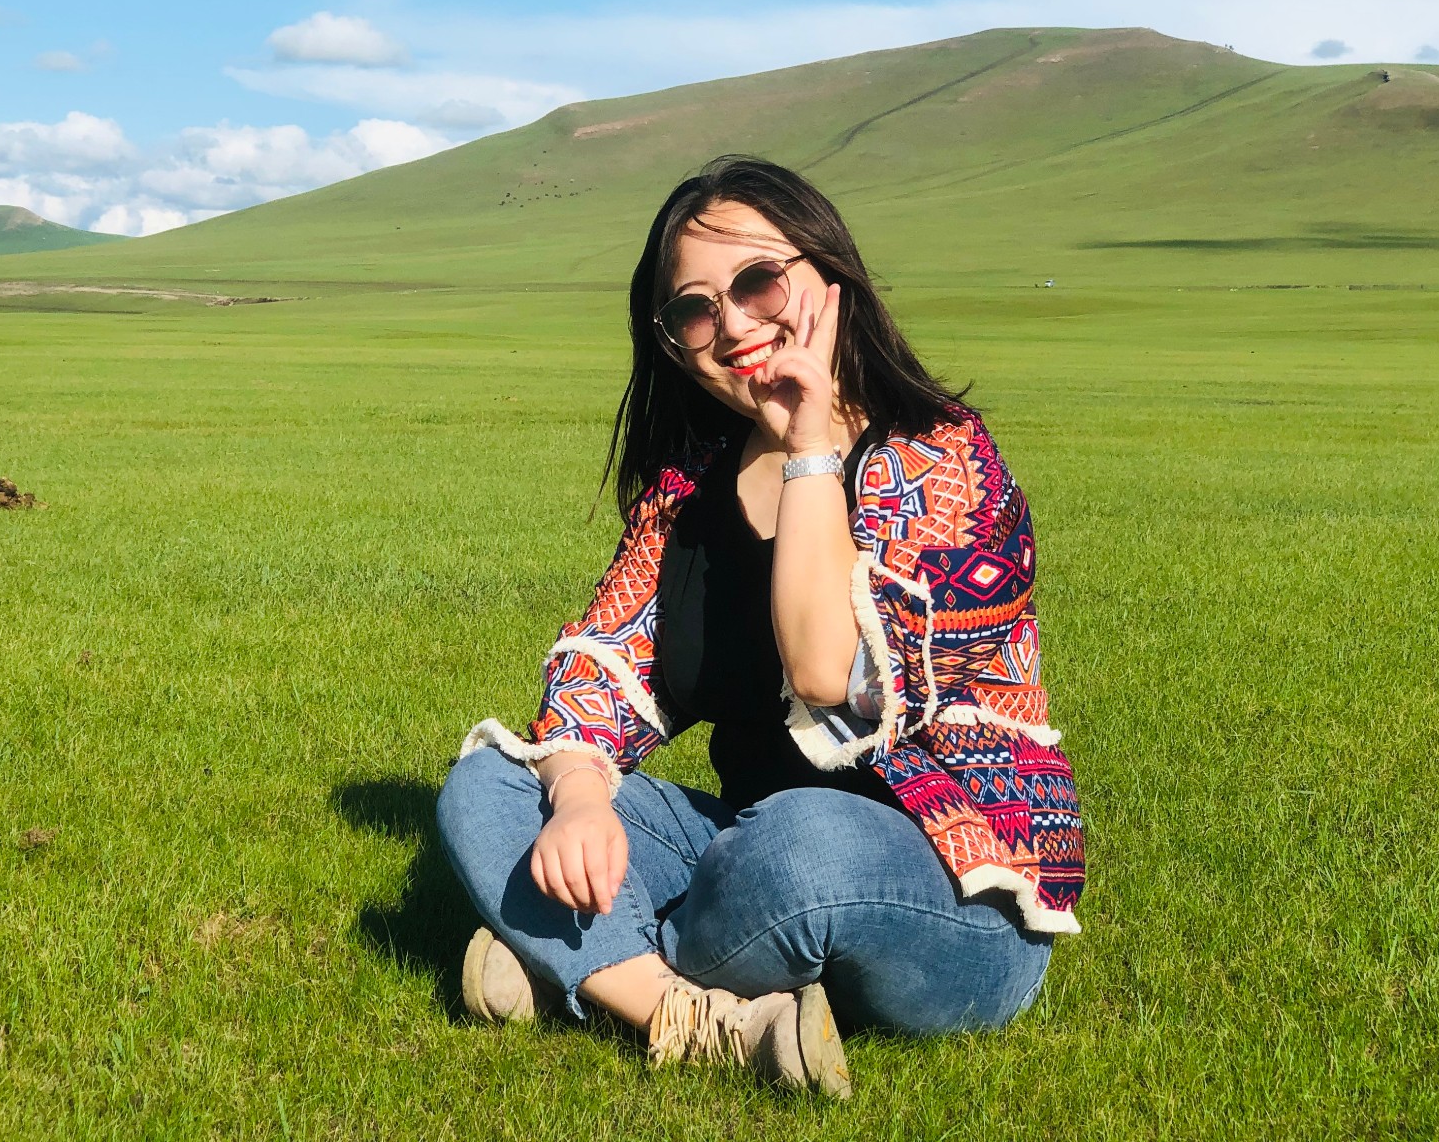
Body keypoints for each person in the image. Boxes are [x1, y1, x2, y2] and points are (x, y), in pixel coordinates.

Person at [437, 156, 1085, 1097]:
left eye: (756, 282)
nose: (733, 324)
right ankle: (694, 1017)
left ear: (828, 278)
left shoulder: (948, 466)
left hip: (956, 896)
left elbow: (833, 680)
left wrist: (809, 445)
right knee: (490, 783)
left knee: (799, 845)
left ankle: (571, 958)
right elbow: (604, 667)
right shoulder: (688, 490)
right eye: (695, 308)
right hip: (743, 850)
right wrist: (578, 796)